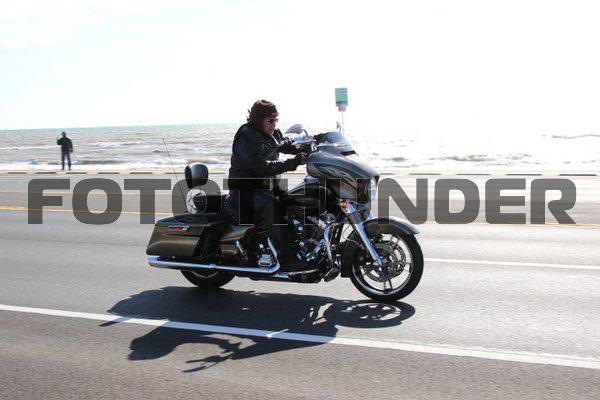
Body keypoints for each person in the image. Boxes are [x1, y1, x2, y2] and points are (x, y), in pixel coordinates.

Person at [224, 99, 309, 272]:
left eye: (276, 120)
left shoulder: (272, 134)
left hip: (265, 187)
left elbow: (288, 145)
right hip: (244, 191)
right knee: (271, 205)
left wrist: (315, 143)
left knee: (297, 197)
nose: (274, 124)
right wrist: (293, 162)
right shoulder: (247, 136)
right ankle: (288, 259)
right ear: (258, 119)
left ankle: (304, 246)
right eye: (270, 120)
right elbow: (261, 167)